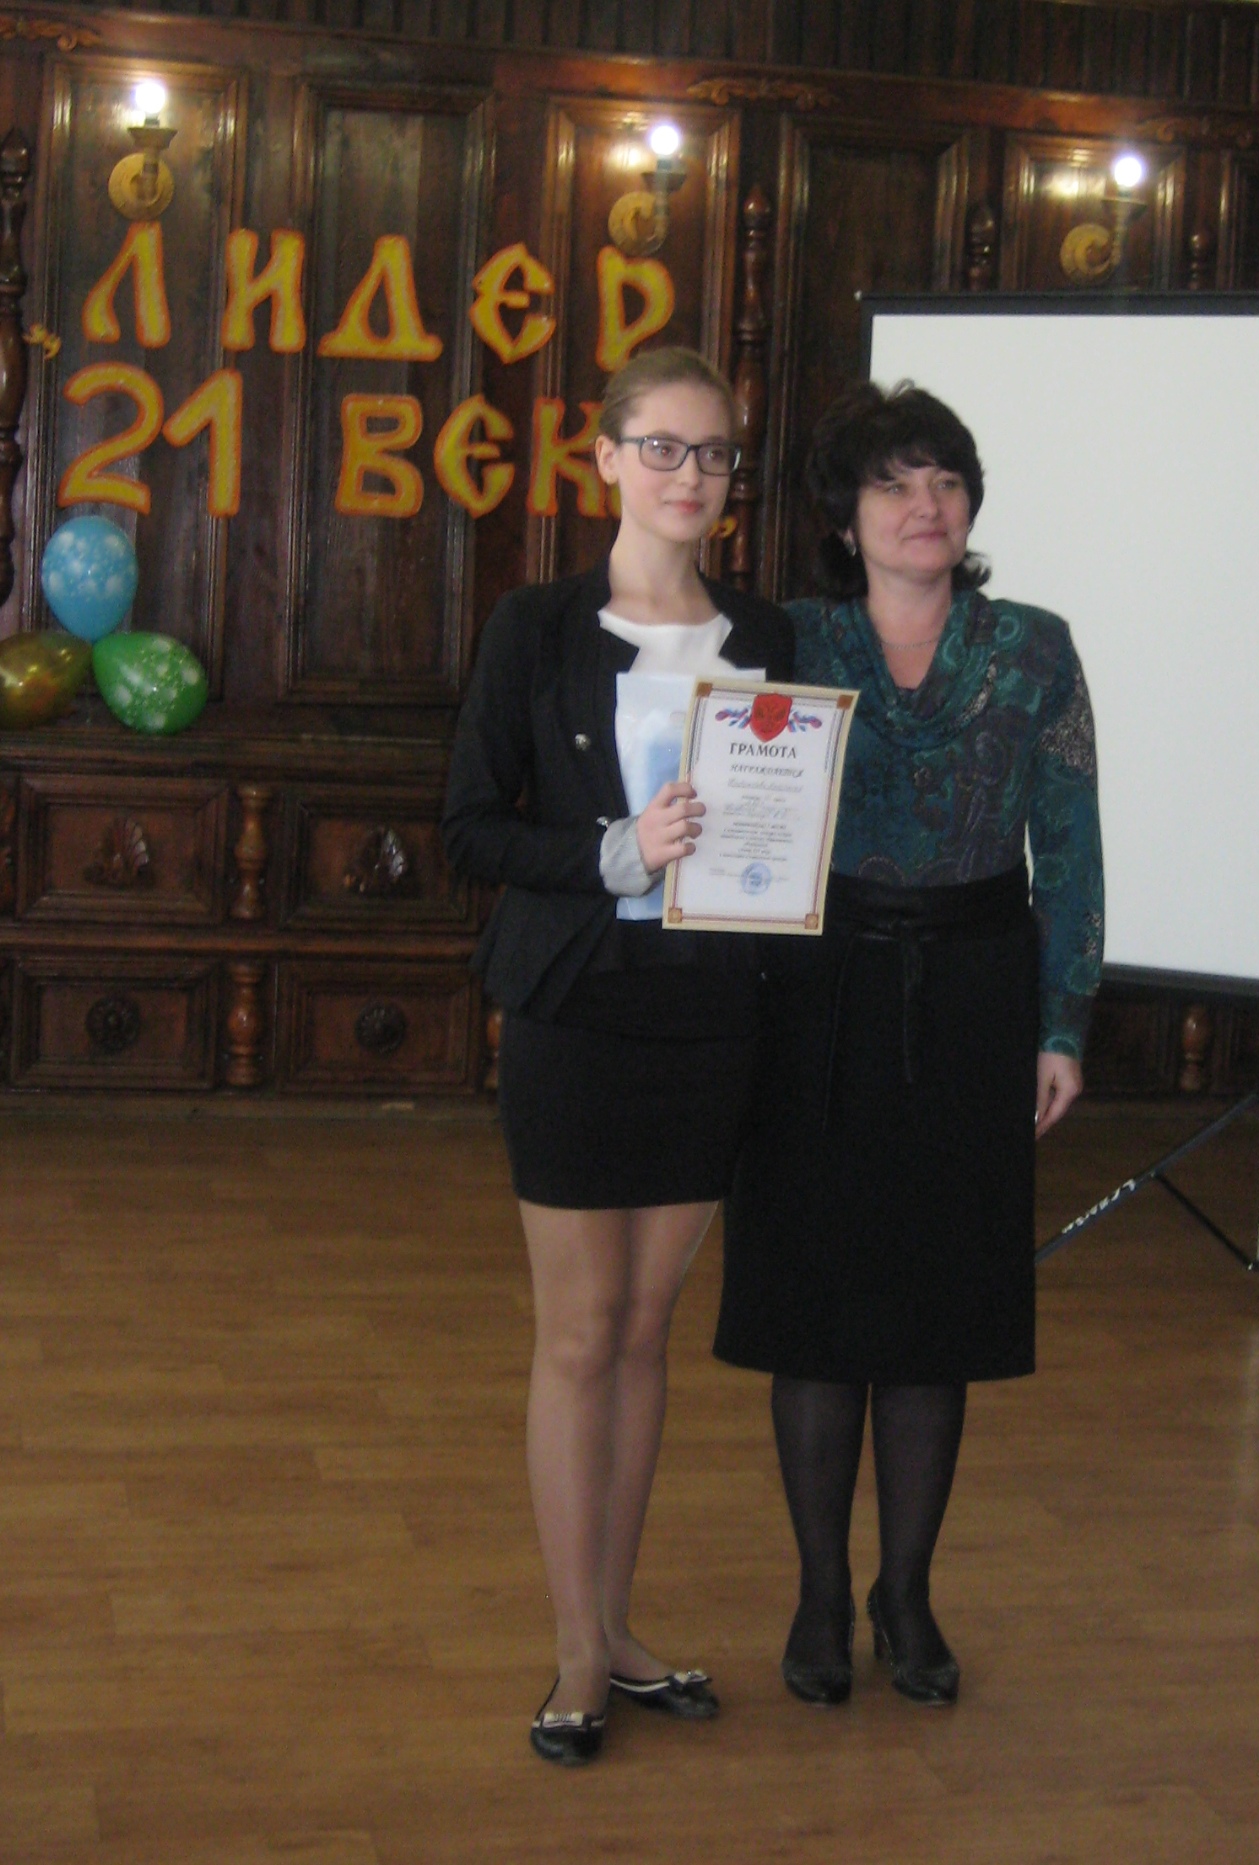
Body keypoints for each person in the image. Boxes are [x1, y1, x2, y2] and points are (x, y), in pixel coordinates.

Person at [715, 380, 1103, 1708]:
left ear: (971, 504)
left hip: (977, 993)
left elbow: (1072, 847)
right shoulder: (786, 639)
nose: (923, 504)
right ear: (846, 517)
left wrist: (1062, 1021)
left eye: (944, 480)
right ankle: (822, 1594)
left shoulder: (1035, 647)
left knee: (939, 1313)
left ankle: (909, 1593)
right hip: (815, 990)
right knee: (816, 1310)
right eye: (892, 483)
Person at [441, 347, 793, 1764]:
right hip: (579, 1009)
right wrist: (613, 850)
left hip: (713, 1013)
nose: (689, 475)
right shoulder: (534, 626)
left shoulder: (767, 629)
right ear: (605, 458)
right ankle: (578, 1646)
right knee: (579, 1336)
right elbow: (472, 825)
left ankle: (620, 1623)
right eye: (663, 447)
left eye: (713, 453)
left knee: (646, 1336)